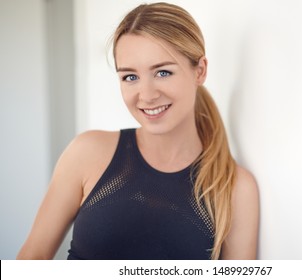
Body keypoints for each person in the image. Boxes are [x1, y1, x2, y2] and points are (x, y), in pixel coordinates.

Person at [17, 2, 259, 260]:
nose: (147, 95)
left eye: (163, 72)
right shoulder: (86, 153)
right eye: (130, 77)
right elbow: (33, 258)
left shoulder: (235, 189)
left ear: (199, 71)